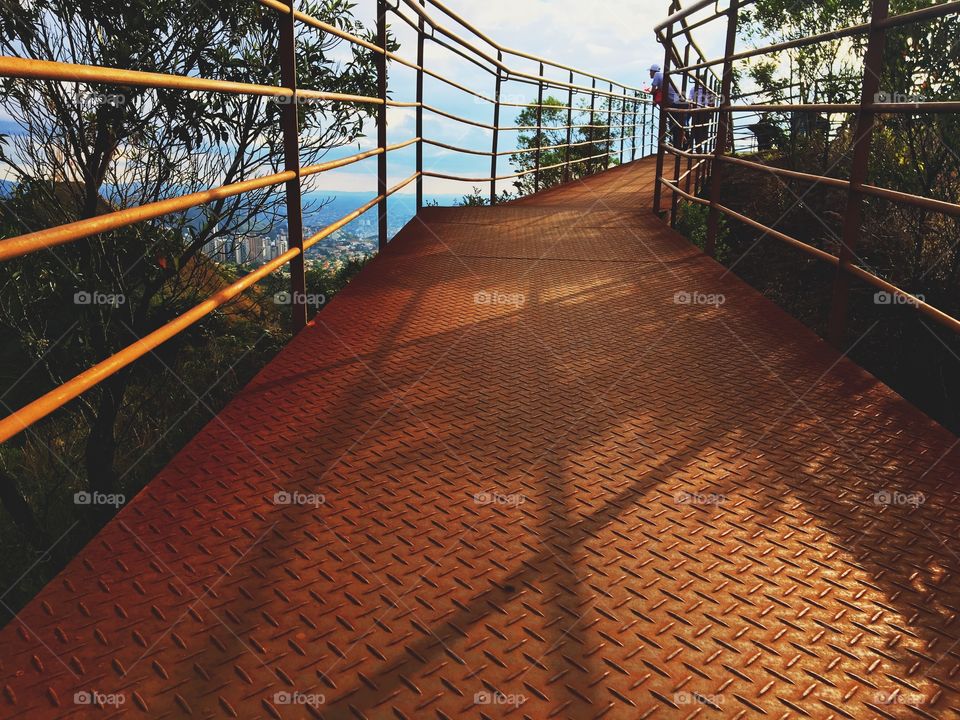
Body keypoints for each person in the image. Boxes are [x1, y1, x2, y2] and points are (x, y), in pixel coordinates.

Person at [648, 63, 685, 149]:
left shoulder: (657, 75)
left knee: (675, 125)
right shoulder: (663, 76)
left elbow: (653, 90)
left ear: (653, 71)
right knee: (677, 125)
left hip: (675, 103)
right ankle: (680, 145)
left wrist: (652, 96)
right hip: (679, 101)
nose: (649, 73)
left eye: (650, 71)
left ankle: (678, 147)